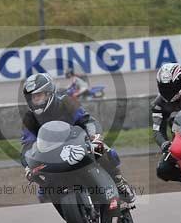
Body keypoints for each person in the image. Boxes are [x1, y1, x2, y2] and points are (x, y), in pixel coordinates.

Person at [20, 73, 136, 208]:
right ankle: (70, 213)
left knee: (102, 150)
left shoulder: (66, 102)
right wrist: (28, 165)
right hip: (51, 155)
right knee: (42, 190)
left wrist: (95, 137)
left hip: (77, 142)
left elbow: (87, 121)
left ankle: (119, 184)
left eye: (38, 96)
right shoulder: (29, 118)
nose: (35, 100)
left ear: (48, 93)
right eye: (32, 97)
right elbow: (27, 145)